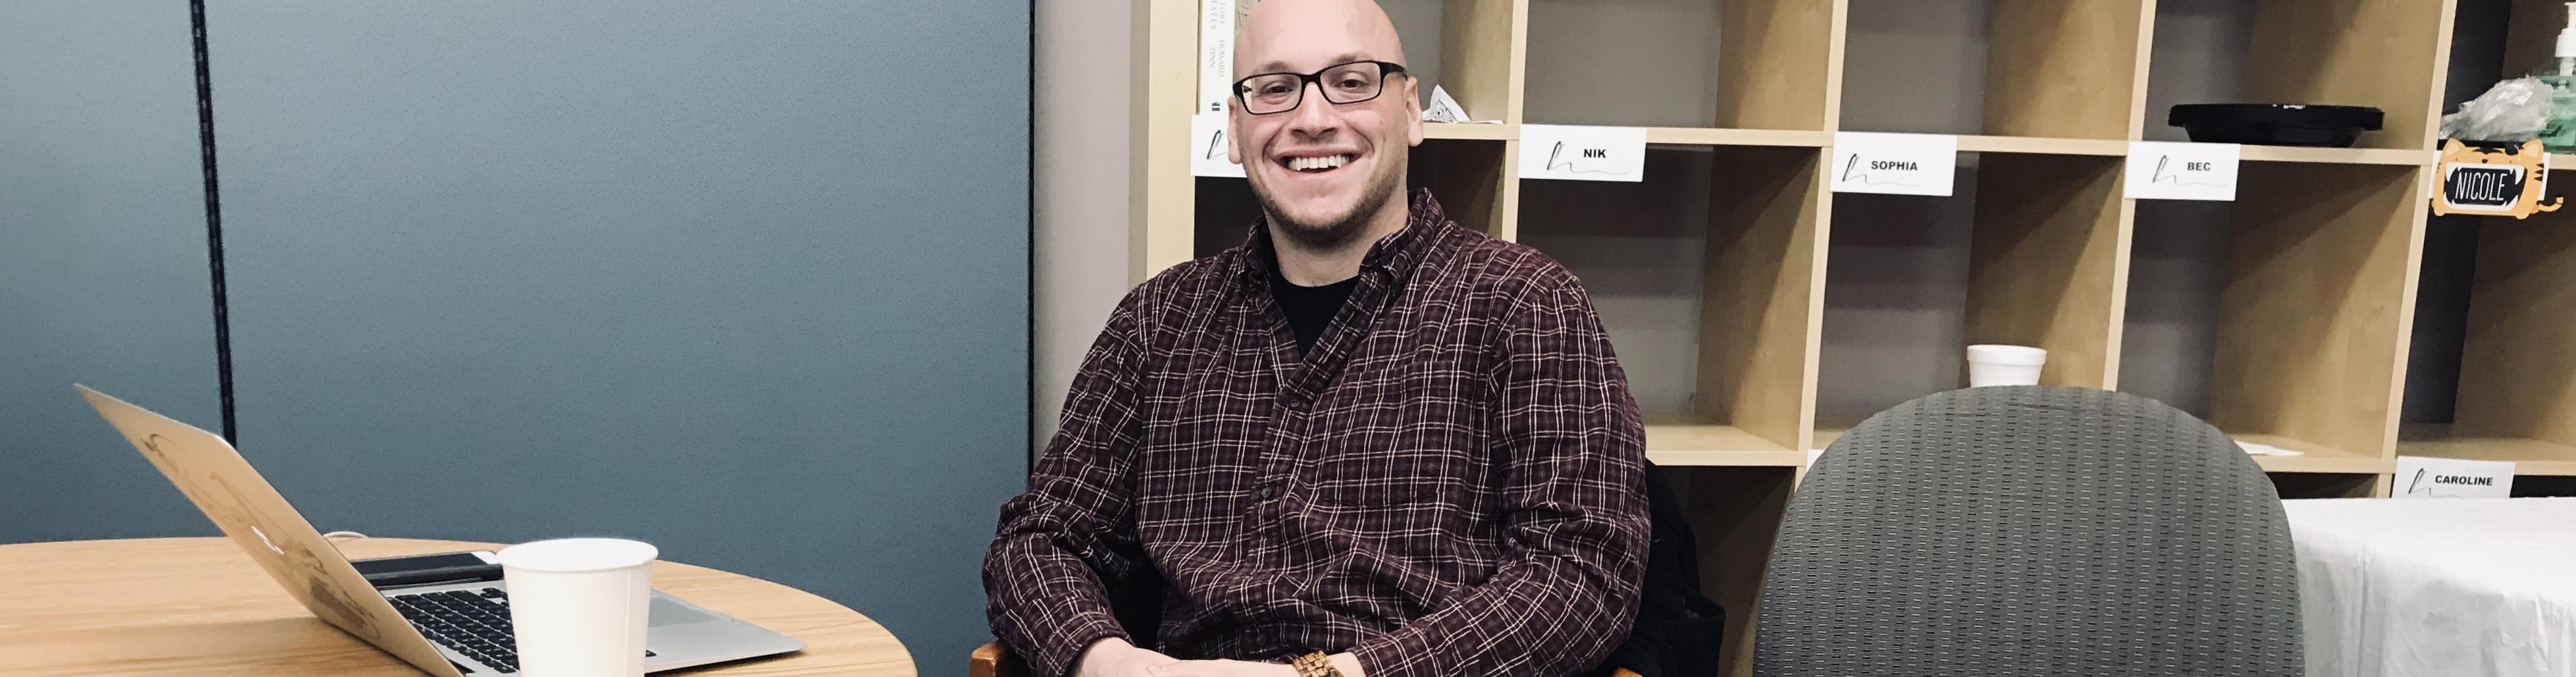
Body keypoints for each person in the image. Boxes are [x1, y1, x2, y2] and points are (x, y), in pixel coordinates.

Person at [984, 0, 1648, 674]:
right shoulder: (1158, 321)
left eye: (1351, 81)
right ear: (1236, 129)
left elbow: (1583, 573)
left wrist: (1343, 675)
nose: (1311, 118)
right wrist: (1114, 663)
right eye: (1274, 89)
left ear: (1412, 110)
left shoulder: (1527, 305)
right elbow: (1043, 539)